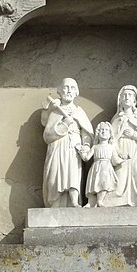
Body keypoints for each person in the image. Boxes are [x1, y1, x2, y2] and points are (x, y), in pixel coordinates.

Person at [41, 78, 93, 207]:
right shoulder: (55, 112)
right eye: (66, 87)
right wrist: (64, 124)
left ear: (77, 93)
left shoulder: (79, 112)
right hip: (57, 146)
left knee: (73, 173)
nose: (69, 91)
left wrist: (85, 146)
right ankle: (55, 202)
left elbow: (87, 132)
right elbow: (47, 135)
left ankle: (74, 202)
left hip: (74, 146)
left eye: (72, 88)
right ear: (59, 91)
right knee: (55, 173)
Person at [78, 121, 127, 207]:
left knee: (104, 183)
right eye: (101, 130)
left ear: (110, 134)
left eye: (106, 130)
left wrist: (123, 159)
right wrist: (81, 152)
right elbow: (86, 158)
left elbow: (115, 160)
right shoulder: (95, 147)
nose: (103, 132)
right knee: (93, 184)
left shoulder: (111, 147)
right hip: (96, 167)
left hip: (106, 168)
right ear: (98, 133)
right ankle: (91, 202)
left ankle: (100, 201)